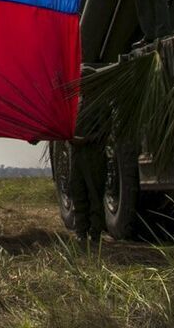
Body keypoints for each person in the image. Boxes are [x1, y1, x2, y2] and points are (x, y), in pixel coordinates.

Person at [69, 93, 110, 247]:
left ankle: (95, 233)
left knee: (94, 194)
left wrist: (84, 140)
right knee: (78, 192)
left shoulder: (100, 105)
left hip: (94, 156)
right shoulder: (75, 106)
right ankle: (81, 232)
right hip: (77, 156)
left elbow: (104, 133)